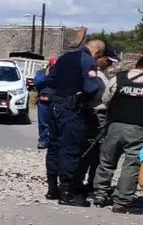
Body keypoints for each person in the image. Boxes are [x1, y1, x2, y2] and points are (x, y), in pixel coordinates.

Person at [44, 39, 106, 206]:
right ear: (97, 52)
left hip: (55, 105)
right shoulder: (87, 60)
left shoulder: (64, 57)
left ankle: (52, 189)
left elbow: (50, 79)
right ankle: (67, 193)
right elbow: (91, 87)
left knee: (54, 146)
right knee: (70, 149)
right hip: (71, 108)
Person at [90, 55, 143, 214]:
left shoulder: (118, 79)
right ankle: (122, 201)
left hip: (115, 125)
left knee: (107, 161)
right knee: (132, 164)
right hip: (139, 129)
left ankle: (100, 195)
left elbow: (105, 99)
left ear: (136, 65)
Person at [81, 48, 118, 191]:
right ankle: (87, 182)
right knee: (93, 150)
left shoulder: (103, 74)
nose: (109, 64)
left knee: (97, 151)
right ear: (100, 57)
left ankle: (91, 181)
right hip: (96, 114)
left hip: (100, 114)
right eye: (108, 61)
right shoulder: (95, 74)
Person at [34, 57, 57, 149]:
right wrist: (46, 75)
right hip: (43, 100)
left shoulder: (60, 73)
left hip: (55, 101)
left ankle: (53, 141)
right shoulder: (41, 72)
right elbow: (37, 82)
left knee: (55, 122)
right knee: (43, 122)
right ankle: (43, 140)